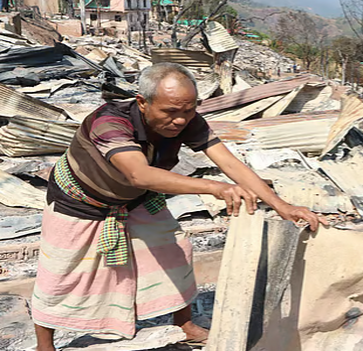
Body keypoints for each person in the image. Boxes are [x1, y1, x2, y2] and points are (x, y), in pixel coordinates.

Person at [31, 63, 328, 351]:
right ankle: (45, 345)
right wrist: (216, 188)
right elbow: (139, 173)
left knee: (175, 250)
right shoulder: (110, 122)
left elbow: (228, 162)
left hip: (136, 199)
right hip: (80, 200)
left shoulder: (189, 121)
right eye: (170, 112)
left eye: (188, 111)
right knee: (61, 269)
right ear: (142, 103)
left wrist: (281, 205)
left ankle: (184, 325)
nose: (180, 120)